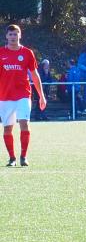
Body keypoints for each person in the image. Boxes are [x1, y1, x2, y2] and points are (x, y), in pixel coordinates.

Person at [0, 24, 47, 167]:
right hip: (5, 96)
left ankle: (23, 156)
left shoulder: (27, 53)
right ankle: (12, 158)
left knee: (24, 123)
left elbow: (34, 75)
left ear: (20, 35)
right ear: (6, 36)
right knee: (7, 128)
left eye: (16, 34)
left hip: (23, 95)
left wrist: (41, 96)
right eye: (11, 34)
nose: (13, 37)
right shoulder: (1, 53)